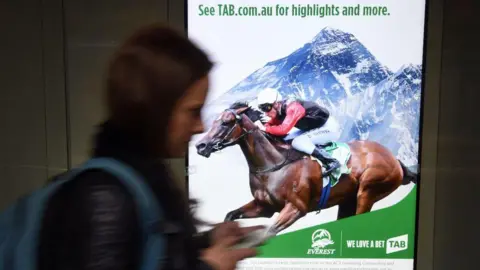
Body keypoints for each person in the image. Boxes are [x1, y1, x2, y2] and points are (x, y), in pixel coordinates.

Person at [37, 24, 262, 270]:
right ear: (156, 109)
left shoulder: (142, 179)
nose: (200, 127)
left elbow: (146, 257)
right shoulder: (105, 197)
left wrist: (206, 242)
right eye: (192, 112)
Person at [254, 87, 341, 176]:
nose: (266, 113)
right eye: (262, 109)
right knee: (287, 140)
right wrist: (263, 127)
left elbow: (283, 129)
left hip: (328, 127)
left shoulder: (293, 107)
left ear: (276, 104)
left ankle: (331, 161)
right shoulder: (279, 110)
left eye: (266, 108)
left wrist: (265, 129)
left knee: (297, 142)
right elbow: (271, 124)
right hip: (314, 127)